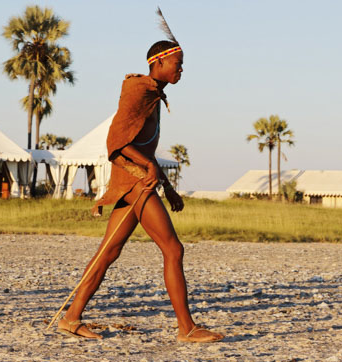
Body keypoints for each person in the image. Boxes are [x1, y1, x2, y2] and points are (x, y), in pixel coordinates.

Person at [57, 30, 224, 343]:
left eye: (183, 64)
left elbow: (143, 146)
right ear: (159, 61)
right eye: (177, 63)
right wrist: (147, 168)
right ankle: (187, 328)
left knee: (109, 251)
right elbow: (116, 142)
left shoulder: (153, 92)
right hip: (134, 181)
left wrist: (167, 186)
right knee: (173, 249)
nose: (181, 69)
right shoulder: (139, 91)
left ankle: (71, 317)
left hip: (135, 180)